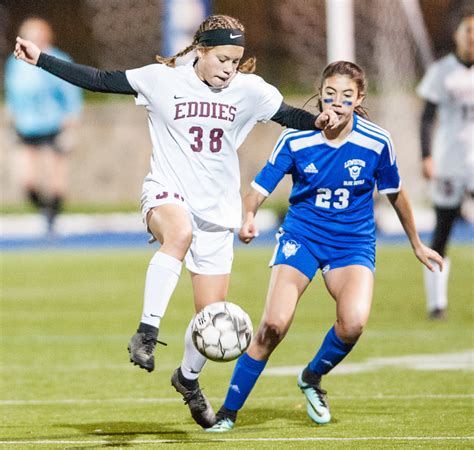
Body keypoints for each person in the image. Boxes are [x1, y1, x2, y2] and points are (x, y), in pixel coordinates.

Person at [13, 14, 339, 428]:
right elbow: (97, 78)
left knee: (212, 318)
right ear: (200, 50)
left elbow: (288, 115)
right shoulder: (162, 80)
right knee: (178, 232)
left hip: (218, 212)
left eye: (236, 61)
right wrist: (42, 59)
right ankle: (146, 333)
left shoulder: (249, 91)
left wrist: (318, 121)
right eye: (222, 58)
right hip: (166, 193)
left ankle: (187, 379)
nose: (228, 68)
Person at [206, 61, 444, 432]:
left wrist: (417, 244)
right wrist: (249, 215)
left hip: (352, 243)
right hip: (302, 237)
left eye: (346, 97)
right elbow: (259, 188)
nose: (336, 103)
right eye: (330, 95)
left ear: (359, 99)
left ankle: (312, 376)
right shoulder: (295, 138)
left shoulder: (376, 141)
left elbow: (396, 193)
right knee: (272, 325)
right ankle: (227, 413)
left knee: (353, 324)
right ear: (320, 95)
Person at [416, 10, 474, 320]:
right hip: (450, 163)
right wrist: (426, 155)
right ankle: (436, 304)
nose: (472, 37)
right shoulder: (442, 71)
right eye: (468, 31)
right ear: (458, 35)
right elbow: (426, 118)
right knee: (443, 232)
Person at [5, 18, 83, 233]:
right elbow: (13, 91)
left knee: (55, 177)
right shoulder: (16, 62)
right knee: (26, 178)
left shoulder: (58, 58)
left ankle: (52, 219)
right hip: (26, 125)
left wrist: (71, 120)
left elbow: (70, 89)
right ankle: (43, 210)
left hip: (53, 123)